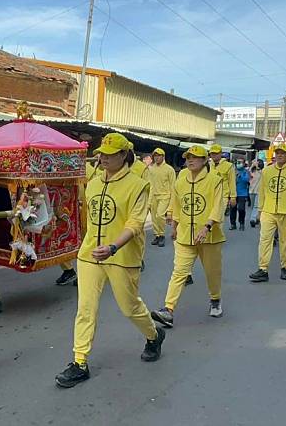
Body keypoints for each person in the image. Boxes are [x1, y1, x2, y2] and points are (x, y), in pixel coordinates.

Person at [55, 133, 165, 389]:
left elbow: (135, 223)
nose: (102, 157)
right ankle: (79, 362)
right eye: (101, 152)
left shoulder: (138, 185)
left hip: (122, 256)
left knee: (129, 307)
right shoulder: (92, 183)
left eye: (109, 153)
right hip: (90, 255)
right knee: (85, 309)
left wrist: (114, 246)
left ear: (123, 155)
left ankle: (153, 334)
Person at [151, 145, 225, 328]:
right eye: (188, 157)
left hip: (209, 236)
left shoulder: (215, 180)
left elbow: (218, 206)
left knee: (212, 272)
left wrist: (207, 226)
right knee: (179, 272)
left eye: (195, 157)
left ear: (204, 160)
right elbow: (177, 203)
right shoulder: (181, 178)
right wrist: (174, 225)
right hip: (185, 235)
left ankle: (215, 299)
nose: (190, 160)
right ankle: (168, 310)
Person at [249, 144, 286, 283]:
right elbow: (262, 192)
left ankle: (285, 267)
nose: (279, 155)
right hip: (268, 211)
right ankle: (263, 269)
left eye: (283, 153)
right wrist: (259, 210)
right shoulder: (267, 171)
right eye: (277, 153)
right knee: (264, 240)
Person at [55, 156, 101, 286]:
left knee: (86, 242)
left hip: (81, 211)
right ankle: (68, 270)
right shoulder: (54, 168)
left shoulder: (85, 168)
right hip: (62, 211)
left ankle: (89, 271)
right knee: (60, 241)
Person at [148, 148, 176, 247]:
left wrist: (172, 203)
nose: (157, 157)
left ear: (163, 157)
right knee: (154, 217)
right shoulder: (151, 169)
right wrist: (149, 199)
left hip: (165, 196)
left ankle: (162, 235)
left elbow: (173, 185)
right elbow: (150, 184)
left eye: (159, 155)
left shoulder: (169, 169)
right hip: (154, 195)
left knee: (160, 215)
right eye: (155, 156)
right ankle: (157, 235)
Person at [209, 145, 237, 219]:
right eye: (212, 153)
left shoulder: (229, 166)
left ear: (221, 153)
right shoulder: (208, 165)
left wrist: (233, 197)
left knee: (218, 219)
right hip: (209, 195)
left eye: (216, 153)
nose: (213, 155)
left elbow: (232, 182)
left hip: (223, 196)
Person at [230, 158, 250, 231]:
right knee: (233, 209)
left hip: (242, 193)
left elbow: (247, 180)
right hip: (233, 193)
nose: (238, 164)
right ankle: (233, 224)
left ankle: (241, 223)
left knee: (241, 209)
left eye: (240, 162)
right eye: (237, 162)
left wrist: (240, 176)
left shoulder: (246, 172)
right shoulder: (233, 171)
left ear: (244, 163)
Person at [249, 159, 264, 227]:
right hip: (251, 190)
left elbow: (261, 173)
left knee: (256, 206)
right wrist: (252, 165)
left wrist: (257, 166)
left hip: (259, 191)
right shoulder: (252, 171)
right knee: (252, 206)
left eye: (256, 162)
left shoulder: (262, 171)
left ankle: (253, 219)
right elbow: (248, 174)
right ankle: (257, 218)